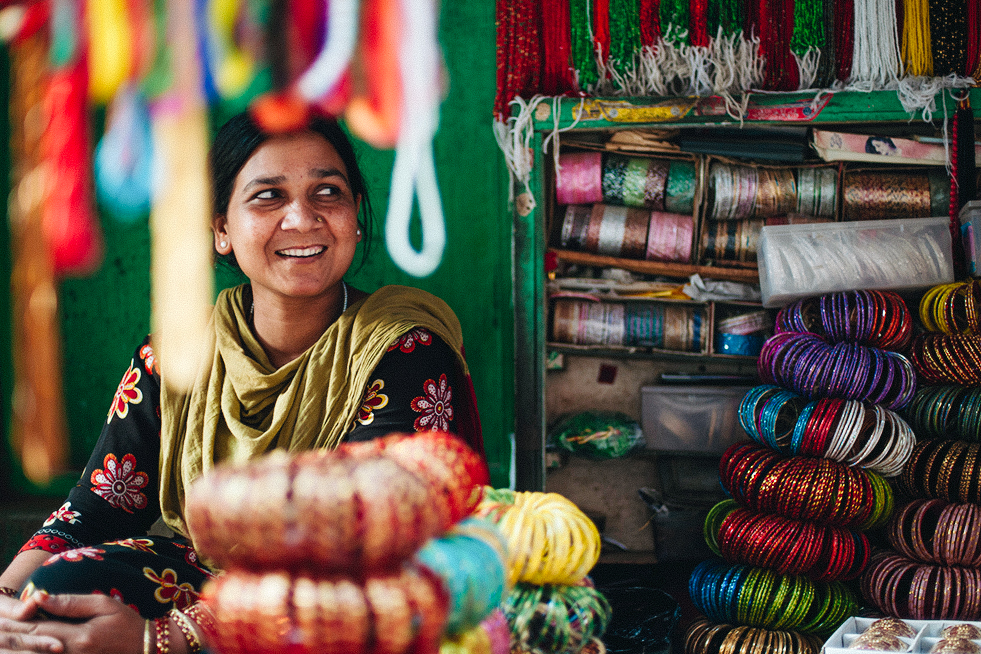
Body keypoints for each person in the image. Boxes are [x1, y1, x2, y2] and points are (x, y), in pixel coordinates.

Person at [0, 110, 484, 654]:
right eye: (268, 196)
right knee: (51, 597)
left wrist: (163, 639)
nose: (302, 219)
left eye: (328, 192)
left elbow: (369, 552)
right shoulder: (180, 353)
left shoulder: (403, 351)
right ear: (222, 230)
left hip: (351, 597)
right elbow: (102, 506)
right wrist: (9, 597)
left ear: (355, 218)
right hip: (202, 575)